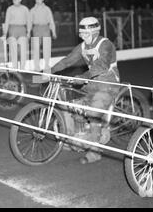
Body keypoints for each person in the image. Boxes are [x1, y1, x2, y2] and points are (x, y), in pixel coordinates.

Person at [50, 16, 121, 164]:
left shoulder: (105, 44)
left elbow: (101, 66)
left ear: (95, 32)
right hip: (91, 84)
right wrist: (49, 70)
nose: (83, 37)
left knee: (93, 112)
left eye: (86, 34)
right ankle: (70, 140)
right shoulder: (83, 47)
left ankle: (95, 152)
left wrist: (83, 77)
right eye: (82, 34)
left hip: (108, 84)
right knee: (68, 104)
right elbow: (68, 60)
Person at [2, 0, 31, 70]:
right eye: (13, 0)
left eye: (15, 0)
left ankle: (22, 69)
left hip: (22, 29)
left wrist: (28, 32)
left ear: (20, 0)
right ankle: (15, 69)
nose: (13, 1)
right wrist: (5, 33)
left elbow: (28, 21)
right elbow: (7, 21)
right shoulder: (10, 9)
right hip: (12, 29)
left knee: (23, 50)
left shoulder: (25, 9)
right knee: (13, 51)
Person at [30, 0, 57, 71]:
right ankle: (37, 67)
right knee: (35, 48)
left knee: (46, 48)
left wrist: (54, 32)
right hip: (36, 28)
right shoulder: (32, 10)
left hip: (45, 28)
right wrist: (28, 32)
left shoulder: (47, 9)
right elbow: (29, 22)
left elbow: (51, 21)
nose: (37, 0)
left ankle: (47, 65)